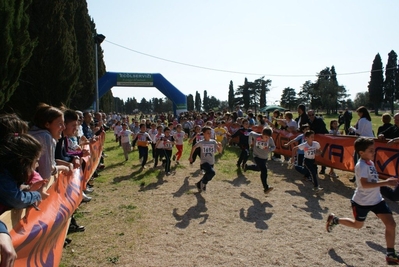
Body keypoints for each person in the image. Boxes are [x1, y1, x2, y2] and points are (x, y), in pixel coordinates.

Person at [326, 137, 399, 265]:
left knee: (391, 224)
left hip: (377, 200)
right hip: (362, 202)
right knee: (357, 225)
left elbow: (373, 180)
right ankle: (335, 220)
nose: (374, 152)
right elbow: (365, 185)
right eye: (371, 150)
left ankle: (390, 254)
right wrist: (386, 182)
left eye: (373, 149)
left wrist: (385, 183)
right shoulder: (362, 165)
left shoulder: (370, 162)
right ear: (361, 153)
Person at [0, 133, 49, 214]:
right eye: (36, 161)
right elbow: (17, 200)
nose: (37, 165)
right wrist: (37, 195)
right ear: (23, 162)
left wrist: (27, 189)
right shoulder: (3, 176)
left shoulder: (10, 174)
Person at [189, 126, 222, 193]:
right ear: (203, 133)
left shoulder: (213, 142)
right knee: (212, 172)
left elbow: (220, 151)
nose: (209, 134)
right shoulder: (201, 142)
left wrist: (220, 147)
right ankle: (203, 183)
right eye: (207, 133)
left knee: (208, 174)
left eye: (210, 133)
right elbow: (194, 147)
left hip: (211, 162)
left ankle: (200, 184)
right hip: (204, 162)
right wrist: (191, 156)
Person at [290, 130, 323, 194]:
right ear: (306, 138)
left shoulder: (316, 144)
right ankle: (316, 187)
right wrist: (293, 158)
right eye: (311, 137)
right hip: (306, 160)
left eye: (313, 137)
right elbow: (294, 148)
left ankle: (295, 166)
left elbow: (320, 150)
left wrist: (318, 153)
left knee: (305, 171)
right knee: (313, 172)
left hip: (313, 160)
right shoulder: (304, 145)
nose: (312, 138)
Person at [244, 127, 276, 194]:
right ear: (262, 134)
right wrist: (250, 142)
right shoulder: (257, 136)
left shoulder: (270, 139)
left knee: (258, 168)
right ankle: (266, 187)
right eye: (265, 137)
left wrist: (270, 149)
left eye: (268, 137)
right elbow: (251, 133)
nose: (266, 139)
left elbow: (274, 147)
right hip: (257, 156)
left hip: (264, 157)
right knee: (264, 170)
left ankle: (247, 166)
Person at [348, 106, 374, 182]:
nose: (358, 114)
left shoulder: (362, 120)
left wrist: (352, 128)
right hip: (369, 140)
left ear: (362, 113)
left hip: (363, 141)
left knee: (357, 159)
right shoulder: (368, 120)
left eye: (358, 113)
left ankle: (357, 176)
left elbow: (359, 131)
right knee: (366, 160)